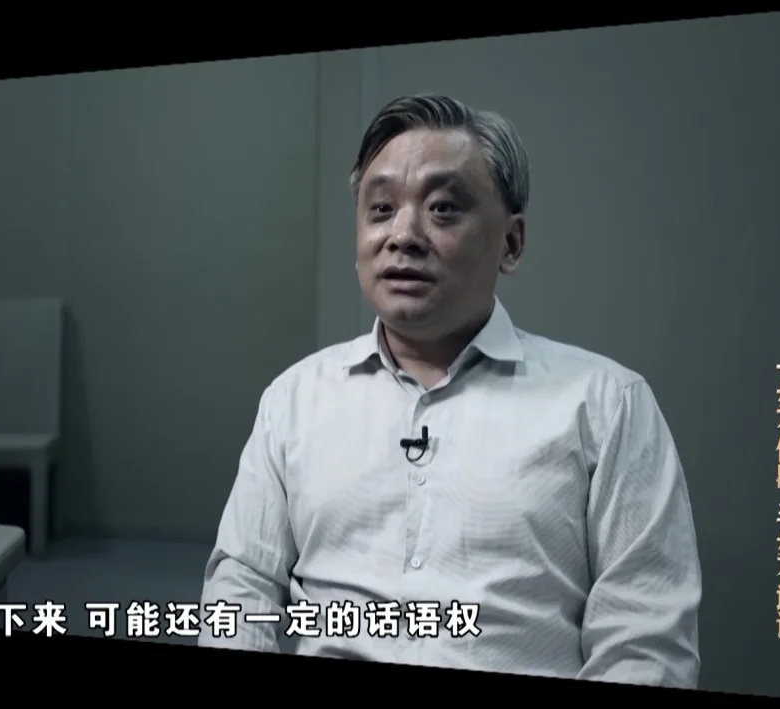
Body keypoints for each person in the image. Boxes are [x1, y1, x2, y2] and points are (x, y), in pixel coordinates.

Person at [199, 94, 701, 687]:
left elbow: (644, 641)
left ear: (511, 243)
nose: (403, 235)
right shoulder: (293, 400)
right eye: (381, 209)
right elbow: (243, 586)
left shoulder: (608, 406)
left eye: (442, 208)